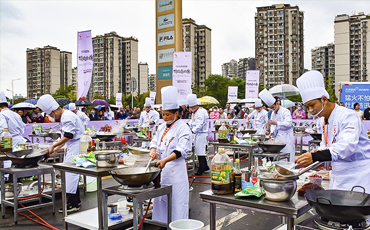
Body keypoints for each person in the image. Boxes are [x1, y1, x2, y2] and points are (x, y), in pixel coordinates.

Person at [295, 70, 370, 192]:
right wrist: (316, 151)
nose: (310, 110)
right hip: (338, 176)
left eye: (312, 105)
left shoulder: (347, 116)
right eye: (307, 107)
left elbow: (346, 146)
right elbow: (328, 145)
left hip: (358, 175)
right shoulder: (323, 120)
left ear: (324, 99)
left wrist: (315, 156)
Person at [149, 86, 191, 223]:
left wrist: (165, 160)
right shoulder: (161, 127)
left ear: (177, 113)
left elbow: (181, 150)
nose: (165, 117)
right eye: (163, 114)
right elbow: (155, 141)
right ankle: (162, 225)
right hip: (162, 171)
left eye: (168, 115)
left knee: (177, 204)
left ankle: (178, 225)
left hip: (176, 172)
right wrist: (153, 150)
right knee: (161, 203)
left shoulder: (183, 128)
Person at [37, 94, 84, 212]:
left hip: (76, 147)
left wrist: (53, 145)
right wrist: (59, 147)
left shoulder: (67, 116)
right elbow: (66, 136)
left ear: (54, 111)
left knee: (71, 175)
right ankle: (75, 201)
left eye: (50, 114)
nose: (50, 117)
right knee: (70, 175)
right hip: (73, 146)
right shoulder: (65, 116)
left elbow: (69, 135)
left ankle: (72, 204)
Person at [260, 89, 295, 162]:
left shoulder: (285, 111)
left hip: (287, 137)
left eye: (273, 107)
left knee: (287, 157)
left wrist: (276, 123)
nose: (272, 109)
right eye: (271, 108)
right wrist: (272, 132)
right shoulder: (273, 113)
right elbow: (273, 126)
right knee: (279, 158)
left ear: (277, 103)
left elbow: (288, 123)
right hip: (279, 138)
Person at [0, 91, 26, 174]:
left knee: (8, 163)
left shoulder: (2, 114)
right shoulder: (15, 114)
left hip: (9, 141)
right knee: (19, 164)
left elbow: (3, 129)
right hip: (20, 141)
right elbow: (23, 127)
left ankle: (9, 183)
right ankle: (18, 181)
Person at [187, 94, 209, 175]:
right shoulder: (194, 113)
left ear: (196, 105)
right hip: (197, 134)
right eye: (190, 107)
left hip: (201, 133)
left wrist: (193, 131)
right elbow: (192, 122)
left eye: (193, 107)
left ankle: (201, 168)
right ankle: (205, 166)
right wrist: (187, 124)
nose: (191, 109)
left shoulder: (201, 112)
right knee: (198, 151)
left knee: (200, 151)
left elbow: (200, 124)